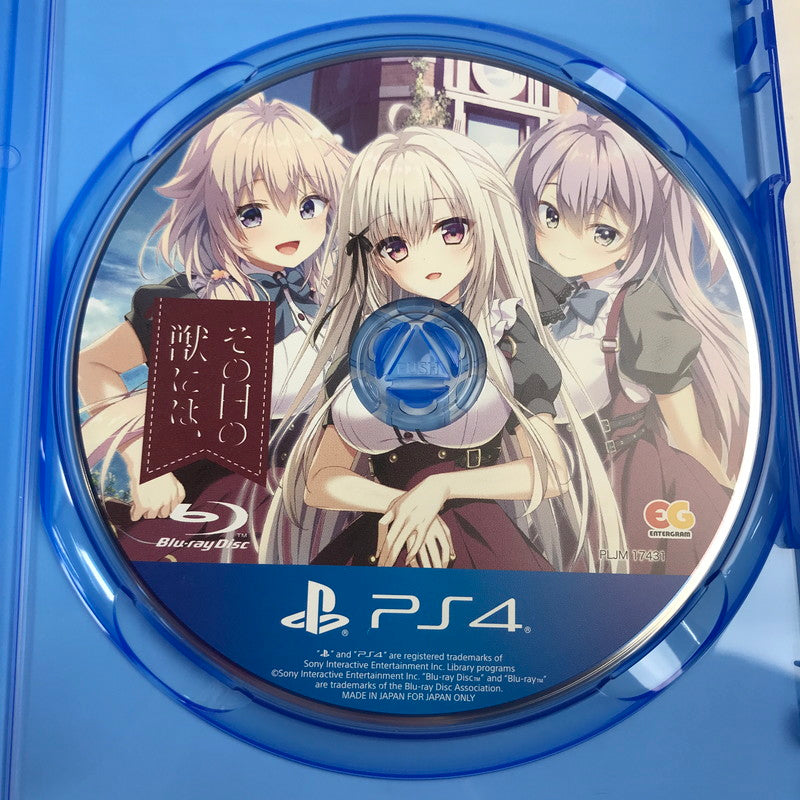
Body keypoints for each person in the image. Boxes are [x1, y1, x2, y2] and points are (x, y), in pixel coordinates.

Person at [259, 126, 625, 572]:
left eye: (450, 230)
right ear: (372, 252)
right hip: (385, 531)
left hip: (477, 531)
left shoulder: (504, 329)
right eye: (395, 244)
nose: (426, 259)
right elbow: (319, 480)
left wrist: (440, 490)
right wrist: (399, 504)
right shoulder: (368, 338)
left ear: (483, 222)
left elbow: (551, 471)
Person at [78, 94, 352, 562]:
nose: (289, 227)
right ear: (213, 212)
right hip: (215, 505)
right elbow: (92, 364)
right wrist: (139, 459)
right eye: (253, 213)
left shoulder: (334, 297)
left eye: (309, 204)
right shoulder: (187, 300)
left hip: (317, 500)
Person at [507, 111, 750, 574]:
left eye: (603, 231)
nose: (566, 242)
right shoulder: (526, 298)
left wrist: (730, 503)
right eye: (551, 215)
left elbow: (689, 439)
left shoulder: (639, 309)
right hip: (535, 489)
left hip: (620, 490)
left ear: (635, 236)